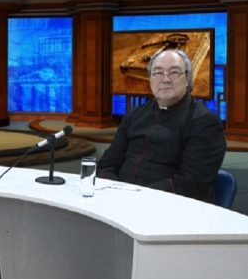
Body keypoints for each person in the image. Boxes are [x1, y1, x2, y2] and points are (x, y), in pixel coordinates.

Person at [97, 48, 226, 202]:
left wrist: (136, 197)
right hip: (118, 201)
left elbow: (191, 184)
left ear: (187, 79)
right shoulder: (134, 115)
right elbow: (107, 165)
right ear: (150, 79)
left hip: (170, 207)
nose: (165, 79)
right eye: (158, 72)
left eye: (174, 72)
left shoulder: (205, 122)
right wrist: (112, 193)